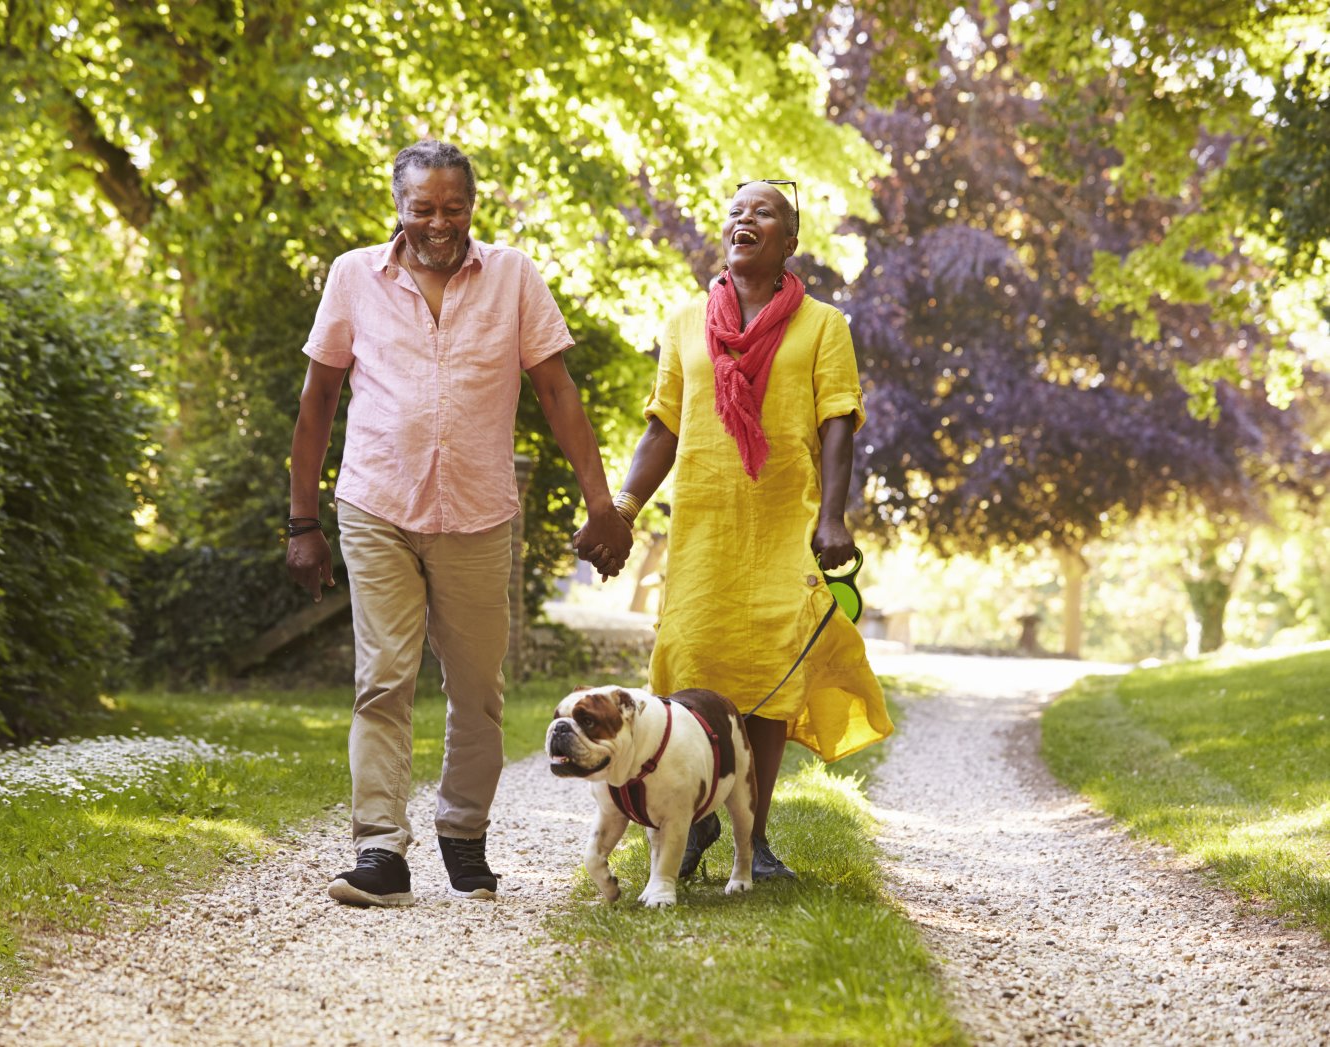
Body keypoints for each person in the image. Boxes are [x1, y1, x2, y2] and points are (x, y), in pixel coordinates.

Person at [287, 140, 632, 907]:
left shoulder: (512, 276)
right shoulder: (353, 276)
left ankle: (463, 832)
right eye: (423, 209)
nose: (439, 223)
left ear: (472, 206)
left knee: (478, 690)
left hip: (477, 514)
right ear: (398, 209)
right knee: (383, 680)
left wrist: (600, 501)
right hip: (377, 504)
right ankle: (380, 850)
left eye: (453, 207)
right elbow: (317, 400)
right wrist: (301, 520)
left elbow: (556, 390)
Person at [581, 180, 893, 880]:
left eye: (765, 212)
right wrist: (624, 509)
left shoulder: (823, 325)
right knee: (691, 667)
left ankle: (758, 838)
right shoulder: (687, 321)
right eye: (736, 210)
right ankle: (691, 821)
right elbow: (665, 423)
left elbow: (837, 421)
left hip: (786, 523)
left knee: (768, 683)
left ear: (789, 242)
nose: (744, 218)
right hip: (704, 527)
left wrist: (833, 516)